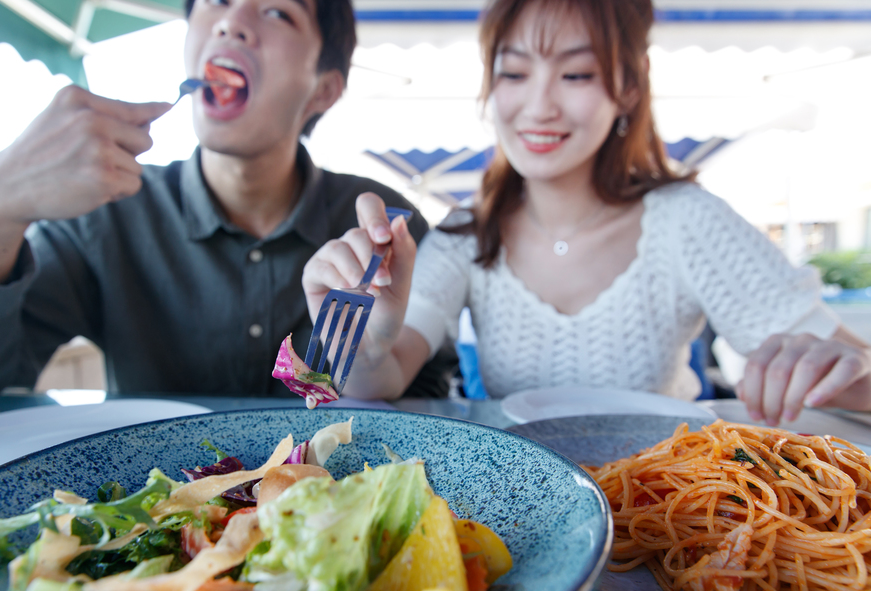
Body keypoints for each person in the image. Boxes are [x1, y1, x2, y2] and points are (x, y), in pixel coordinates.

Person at [302, 0, 871, 426]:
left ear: (628, 89)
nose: (539, 106)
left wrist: (832, 367)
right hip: (520, 507)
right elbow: (383, 378)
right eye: (514, 73)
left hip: (671, 505)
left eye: (575, 74)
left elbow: (854, 372)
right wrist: (363, 344)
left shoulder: (687, 221)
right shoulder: (465, 233)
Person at [0, 0, 449, 399]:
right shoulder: (105, 215)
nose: (232, 23)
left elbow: (432, 400)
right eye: (216, 2)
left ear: (324, 90)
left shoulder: (382, 232)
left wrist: (368, 360)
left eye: (278, 12)